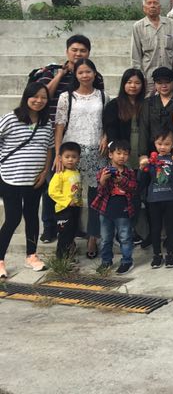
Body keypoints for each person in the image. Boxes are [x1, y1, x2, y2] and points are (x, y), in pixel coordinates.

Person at [29, 34, 102, 243]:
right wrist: (61, 74)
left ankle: (74, 227)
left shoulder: (94, 76)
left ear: (89, 53)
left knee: (75, 186)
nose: (78, 53)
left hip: (87, 139)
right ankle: (49, 227)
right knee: (55, 183)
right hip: (56, 135)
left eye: (83, 50)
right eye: (74, 50)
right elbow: (44, 95)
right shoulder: (49, 73)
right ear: (67, 51)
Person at [54, 58, 106, 259]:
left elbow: (106, 122)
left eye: (88, 71)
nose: (85, 75)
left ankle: (93, 237)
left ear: (95, 73)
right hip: (72, 153)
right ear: (75, 75)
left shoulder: (103, 96)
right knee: (71, 197)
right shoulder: (66, 97)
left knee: (95, 197)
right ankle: (69, 239)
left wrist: (106, 136)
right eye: (81, 72)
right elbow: (60, 126)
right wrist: (58, 154)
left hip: (96, 152)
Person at [0, 82, 53, 275]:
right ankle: (0, 259)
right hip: (10, 177)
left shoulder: (46, 122)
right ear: (26, 97)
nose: (39, 101)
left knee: (32, 216)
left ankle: (31, 255)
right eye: (35, 96)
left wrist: (45, 171)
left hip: (34, 179)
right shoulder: (11, 118)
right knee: (13, 218)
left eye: (43, 97)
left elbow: (48, 148)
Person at [138, 129, 173, 269]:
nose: (162, 147)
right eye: (159, 144)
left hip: (171, 198)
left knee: (171, 228)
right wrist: (142, 168)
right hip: (154, 199)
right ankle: (157, 255)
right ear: (155, 143)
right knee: (155, 228)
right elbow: (141, 181)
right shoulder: (151, 160)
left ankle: (170, 254)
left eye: (167, 144)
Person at [93, 139, 137, 274]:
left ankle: (127, 261)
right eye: (118, 153)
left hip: (123, 209)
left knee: (125, 237)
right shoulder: (103, 171)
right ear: (110, 154)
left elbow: (133, 187)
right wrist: (103, 180)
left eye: (125, 154)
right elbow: (100, 191)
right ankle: (106, 261)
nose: (122, 156)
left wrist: (121, 180)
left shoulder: (129, 172)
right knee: (105, 238)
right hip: (106, 209)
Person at [131, 0, 173, 92]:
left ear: (160, 7)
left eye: (155, 3)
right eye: (149, 3)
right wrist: (139, 77)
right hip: (149, 77)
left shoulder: (171, 24)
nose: (152, 6)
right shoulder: (138, 26)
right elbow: (135, 54)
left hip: (169, 76)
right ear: (144, 8)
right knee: (148, 101)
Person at [102, 68, 146, 169]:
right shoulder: (114, 105)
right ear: (123, 84)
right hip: (122, 154)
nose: (133, 86)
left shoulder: (147, 104)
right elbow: (111, 129)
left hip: (142, 153)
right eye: (129, 82)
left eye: (137, 83)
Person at [48, 141, 81, 261]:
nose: (70, 160)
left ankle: (69, 258)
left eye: (74, 157)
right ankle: (61, 260)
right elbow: (52, 191)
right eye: (67, 157)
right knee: (64, 235)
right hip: (63, 209)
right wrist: (67, 201)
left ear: (78, 158)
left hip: (75, 208)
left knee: (71, 233)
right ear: (60, 158)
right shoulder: (60, 174)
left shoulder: (76, 172)